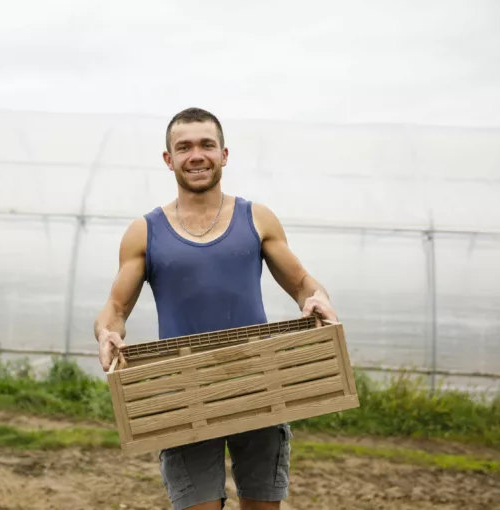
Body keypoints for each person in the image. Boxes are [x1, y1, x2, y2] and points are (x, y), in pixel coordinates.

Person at [93, 107, 338, 510]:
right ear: (169, 160)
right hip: (184, 389)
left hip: (258, 382)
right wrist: (107, 333)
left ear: (224, 154)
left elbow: (301, 283)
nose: (196, 155)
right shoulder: (144, 231)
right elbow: (115, 308)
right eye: (184, 147)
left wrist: (317, 299)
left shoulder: (257, 218)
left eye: (207, 145)